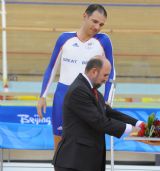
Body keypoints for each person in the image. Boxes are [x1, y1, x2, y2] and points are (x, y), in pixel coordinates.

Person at [37, 4, 116, 149]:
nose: (98, 27)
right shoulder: (64, 39)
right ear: (84, 16)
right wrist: (42, 96)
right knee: (60, 146)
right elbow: (51, 68)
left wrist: (107, 101)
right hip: (63, 96)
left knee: (87, 145)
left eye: (101, 24)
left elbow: (111, 72)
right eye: (94, 21)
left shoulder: (103, 41)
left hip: (90, 99)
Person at [52, 57, 142, 171]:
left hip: (84, 164)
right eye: (105, 75)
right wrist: (132, 130)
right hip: (73, 163)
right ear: (94, 71)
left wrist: (139, 124)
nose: (106, 80)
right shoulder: (79, 90)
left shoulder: (92, 91)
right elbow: (99, 122)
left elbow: (109, 112)